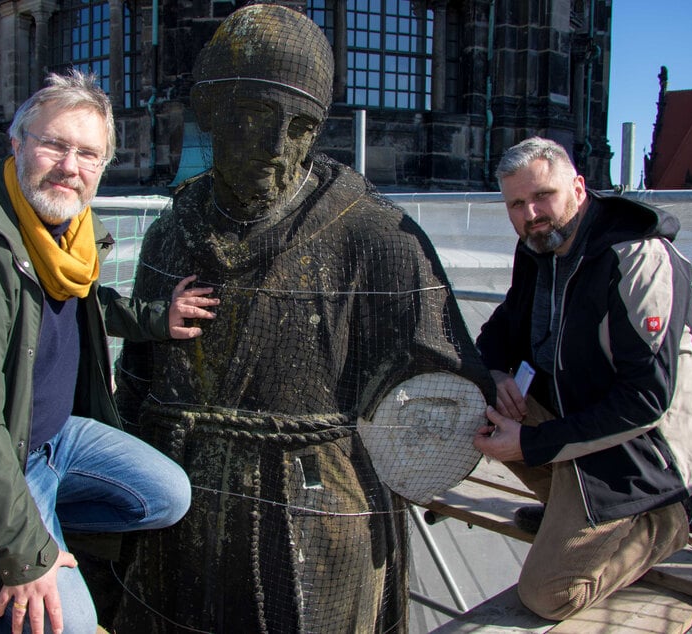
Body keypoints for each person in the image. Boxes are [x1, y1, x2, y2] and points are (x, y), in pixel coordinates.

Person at [103, 4, 492, 633]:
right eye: (258, 114)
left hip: (314, 522)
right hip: (178, 514)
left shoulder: (378, 239)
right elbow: (137, 385)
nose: (276, 146)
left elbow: (442, 397)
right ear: (212, 111)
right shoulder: (170, 236)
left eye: (302, 126)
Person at [0, 70, 219, 634]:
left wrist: (157, 319)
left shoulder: (65, 232)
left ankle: (36, 526)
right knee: (71, 627)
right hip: (1, 450)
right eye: (54, 144)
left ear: (102, 165)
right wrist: (25, 555)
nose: (70, 166)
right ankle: (16, 539)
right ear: (17, 143)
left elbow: (83, 301)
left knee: (168, 495)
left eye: (88, 154)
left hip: (54, 438)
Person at [473, 136, 692, 620]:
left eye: (543, 196)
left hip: (640, 448)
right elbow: (504, 327)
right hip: (577, 425)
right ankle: (570, 514)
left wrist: (533, 444)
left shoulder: (637, 257)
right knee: (473, 405)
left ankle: (671, 518)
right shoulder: (539, 246)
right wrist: (493, 372)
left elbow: (646, 402)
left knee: (547, 595)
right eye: (516, 203)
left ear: (578, 187)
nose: (531, 213)